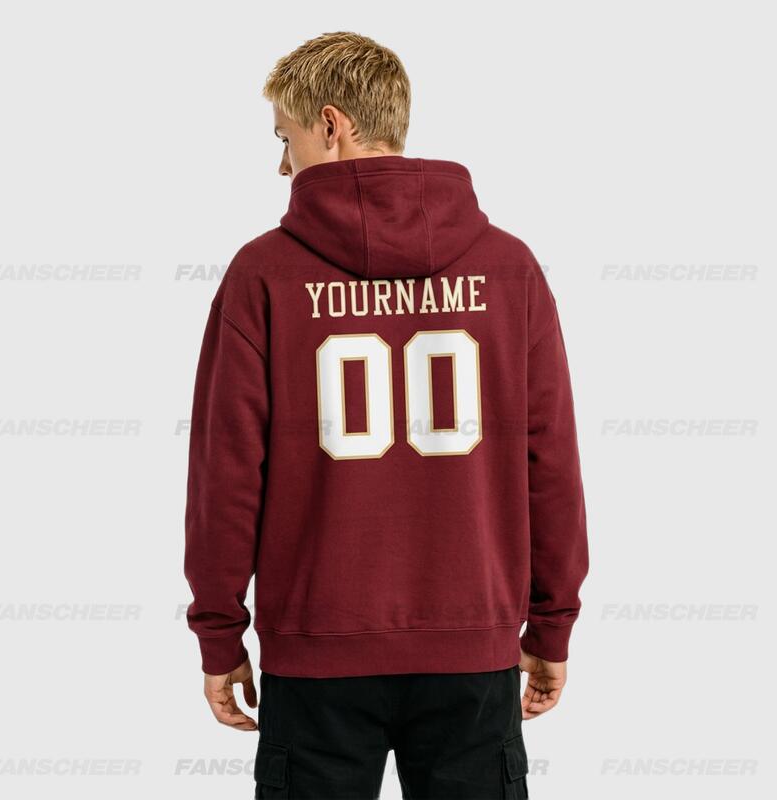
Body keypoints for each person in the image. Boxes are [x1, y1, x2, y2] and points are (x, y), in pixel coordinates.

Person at [184, 31, 589, 799]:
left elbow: (225, 474)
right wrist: (551, 621)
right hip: (472, 650)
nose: (282, 165)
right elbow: (552, 462)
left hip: (315, 654)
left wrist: (219, 631)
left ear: (330, 125)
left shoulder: (263, 274)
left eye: (285, 138)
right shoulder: (508, 270)